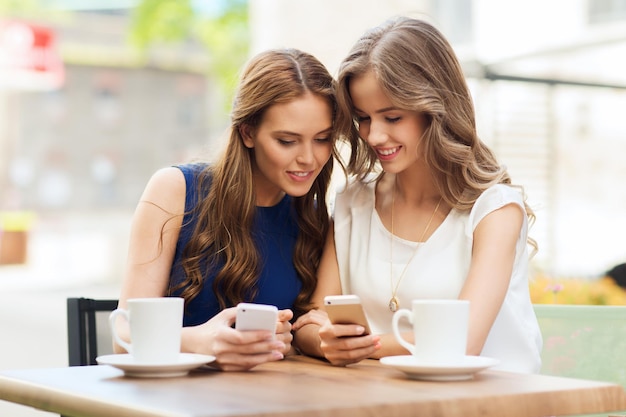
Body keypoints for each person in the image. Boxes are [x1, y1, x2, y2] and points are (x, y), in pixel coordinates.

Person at [292, 17, 542, 373]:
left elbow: (461, 342)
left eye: (392, 117)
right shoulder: (353, 203)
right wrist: (323, 340)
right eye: (363, 118)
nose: (374, 136)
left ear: (435, 110)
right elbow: (311, 320)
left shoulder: (494, 211)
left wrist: (362, 347)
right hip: (385, 402)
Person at [114, 48, 339, 371]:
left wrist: (284, 342)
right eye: (287, 141)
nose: (309, 158)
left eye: (322, 139)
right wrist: (198, 343)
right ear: (248, 132)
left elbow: (303, 336)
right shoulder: (174, 191)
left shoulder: (314, 220)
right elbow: (123, 337)